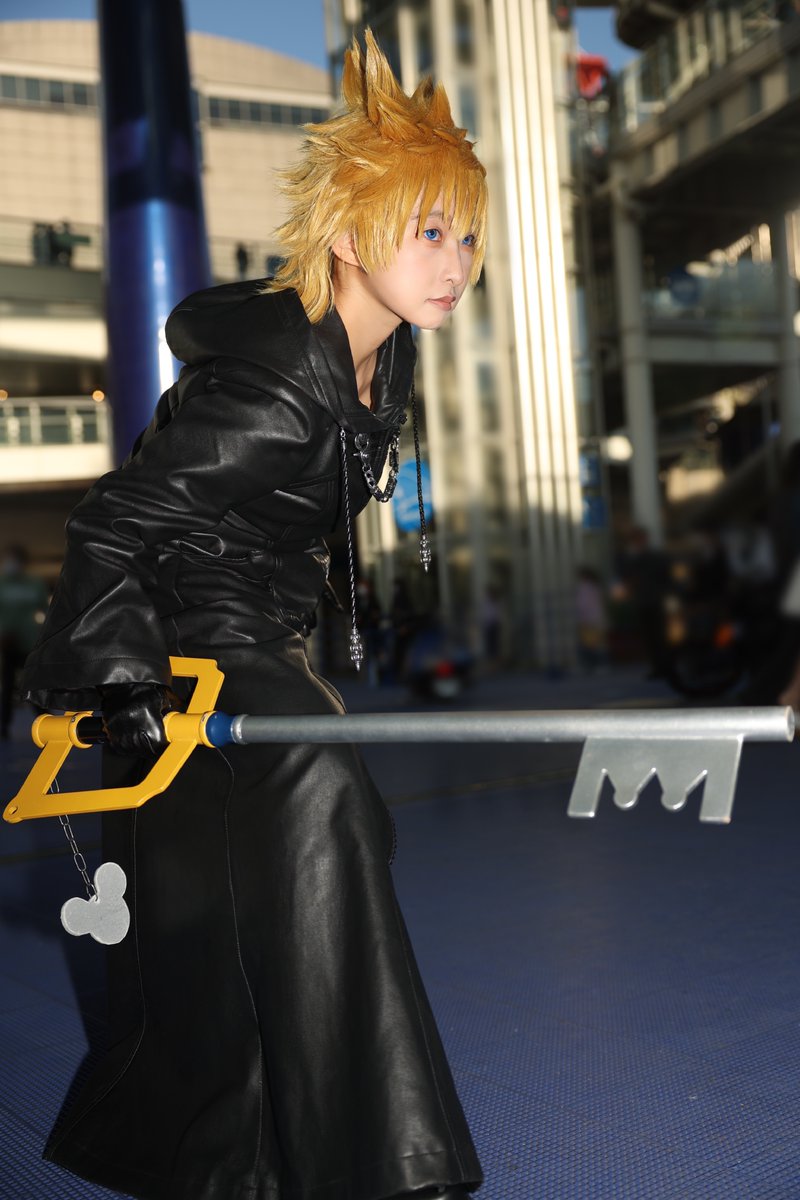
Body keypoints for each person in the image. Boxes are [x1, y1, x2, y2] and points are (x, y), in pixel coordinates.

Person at [21, 31, 486, 1200]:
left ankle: (248, 1150)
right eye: (429, 232)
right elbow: (115, 519)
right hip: (186, 643)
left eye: (467, 236)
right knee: (327, 798)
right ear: (349, 238)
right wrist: (119, 679)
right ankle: (385, 1164)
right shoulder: (275, 387)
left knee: (316, 855)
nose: (456, 264)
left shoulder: (382, 360)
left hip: (260, 642)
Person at [0, 545, 48, 738]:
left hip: (30, 642)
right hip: (8, 642)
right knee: (7, 685)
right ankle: (4, 726)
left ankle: (45, 722)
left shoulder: (35, 584)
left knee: (33, 685)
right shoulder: (2, 584)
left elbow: (46, 611)